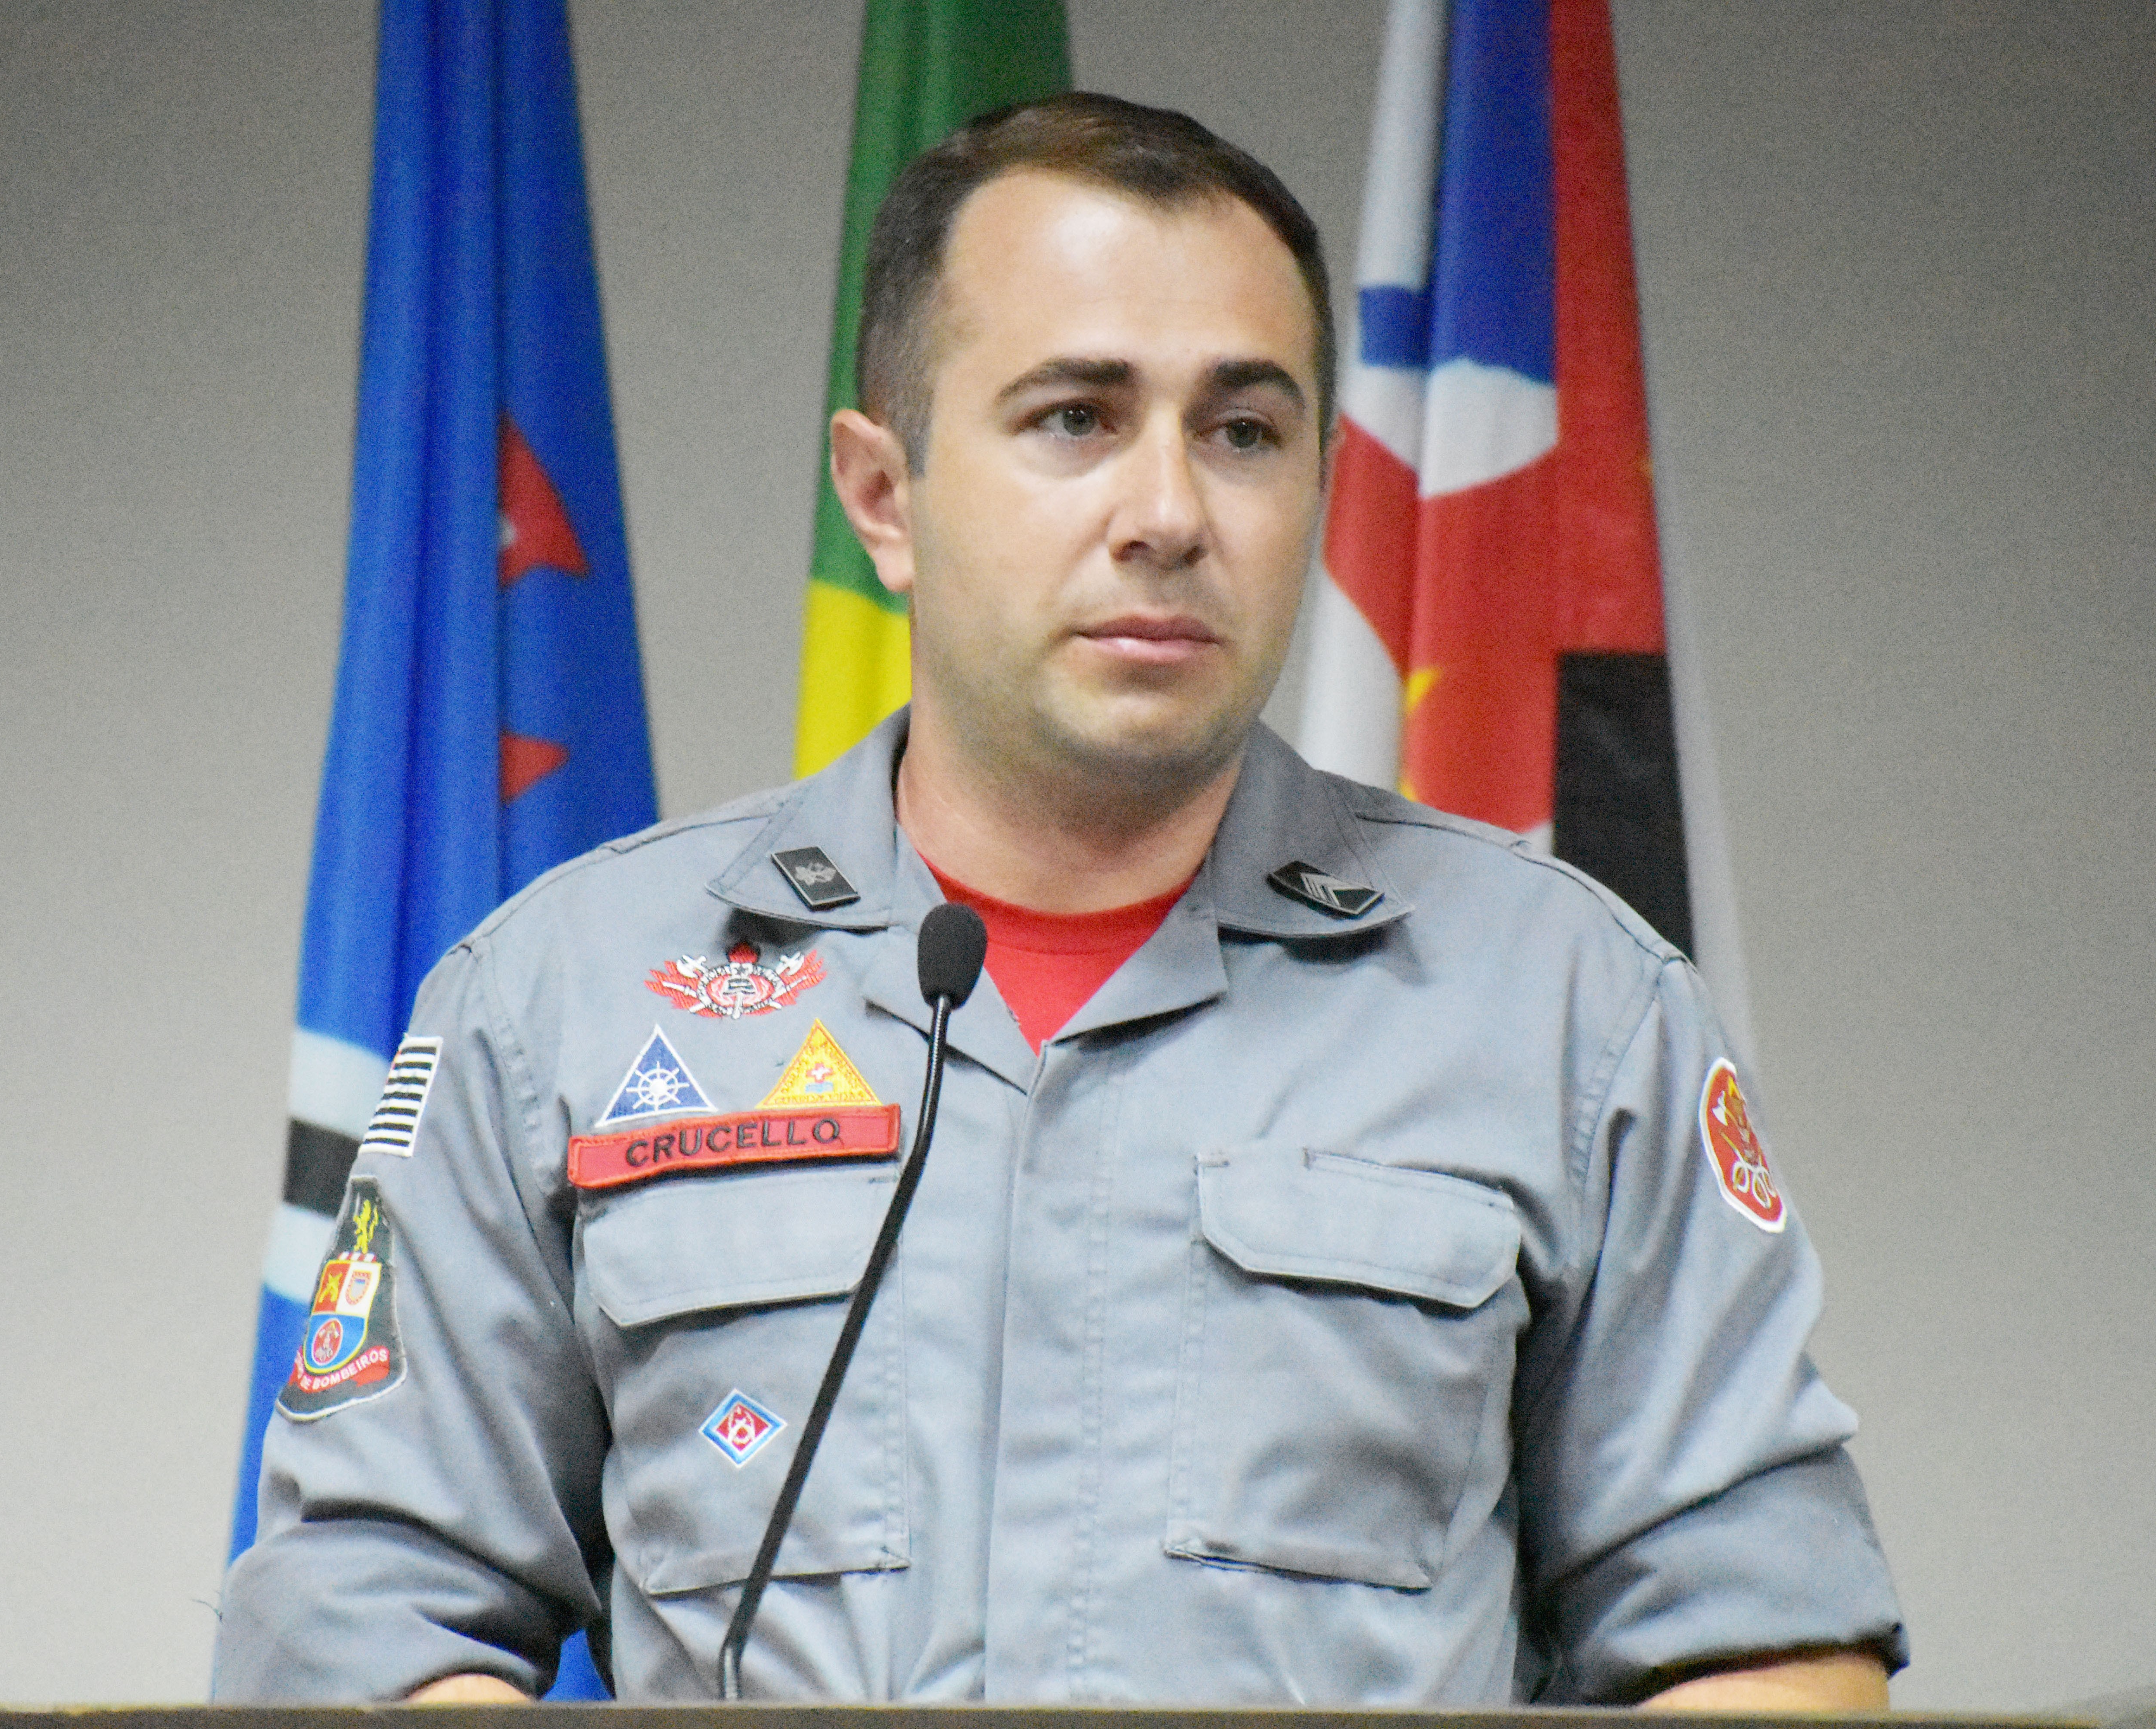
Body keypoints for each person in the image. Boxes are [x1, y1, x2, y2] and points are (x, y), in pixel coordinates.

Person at [210, 93, 1905, 1708]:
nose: (1169, 513)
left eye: (1244, 432)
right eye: (1076, 420)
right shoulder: (562, 1003)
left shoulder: (1568, 1009)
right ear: (885, 496)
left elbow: (1770, 1643)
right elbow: (357, 1614)